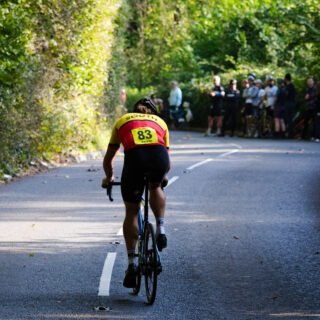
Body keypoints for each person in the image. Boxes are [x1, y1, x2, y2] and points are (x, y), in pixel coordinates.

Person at [102, 98, 170, 288]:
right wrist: (162, 176)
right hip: (158, 158)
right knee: (155, 186)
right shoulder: (161, 122)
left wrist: (109, 178)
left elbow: (109, 158)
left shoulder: (123, 120)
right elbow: (167, 160)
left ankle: (132, 264)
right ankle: (161, 228)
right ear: (152, 112)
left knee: (132, 211)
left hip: (135, 160)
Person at [284, 73, 296, 139]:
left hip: (289, 104)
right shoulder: (291, 86)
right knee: (289, 119)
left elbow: (286, 95)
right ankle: (290, 133)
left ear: (286, 79)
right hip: (291, 103)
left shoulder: (289, 86)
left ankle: (291, 134)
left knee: (289, 119)